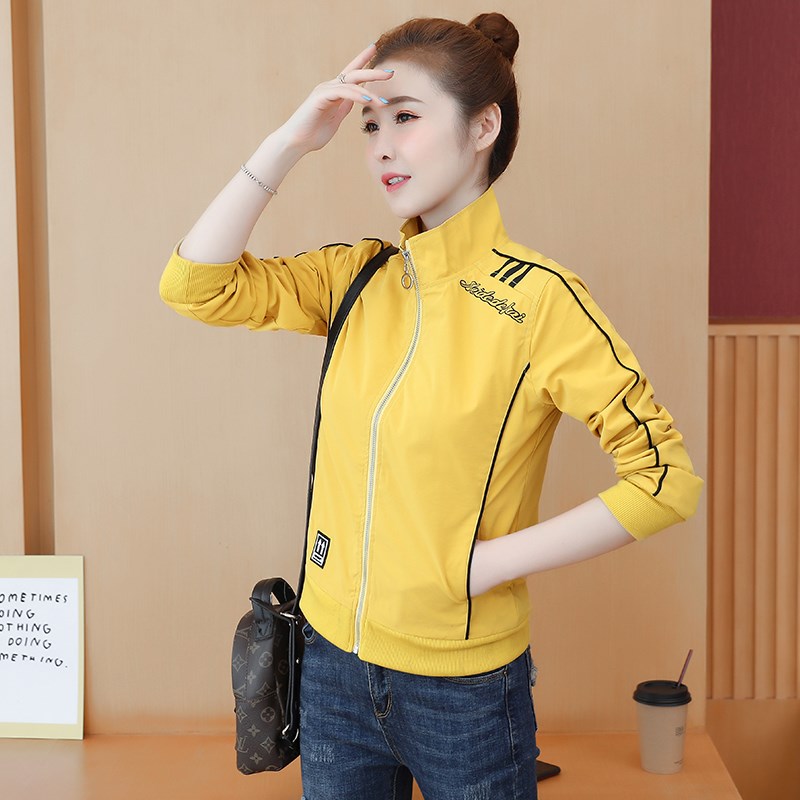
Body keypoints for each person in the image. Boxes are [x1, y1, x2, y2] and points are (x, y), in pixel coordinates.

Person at [159, 12, 703, 800]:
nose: (382, 145)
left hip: (464, 693)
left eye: (407, 118)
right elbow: (194, 285)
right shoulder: (356, 278)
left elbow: (665, 480)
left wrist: (482, 565)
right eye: (370, 125)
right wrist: (289, 142)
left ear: (484, 127)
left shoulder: (542, 302)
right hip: (332, 669)